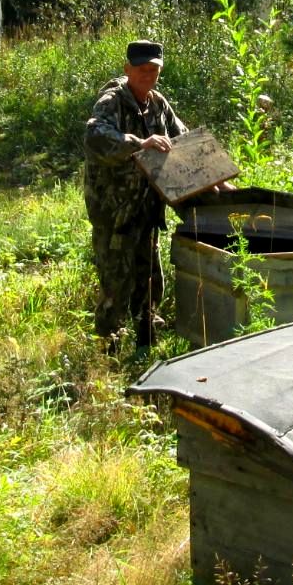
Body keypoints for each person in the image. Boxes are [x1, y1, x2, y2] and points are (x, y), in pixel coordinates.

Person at [83, 39, 187, 351]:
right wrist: (139, 143)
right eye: (141, 69)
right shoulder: (112, 101)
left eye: (153, 69)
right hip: (114, 212)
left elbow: (184, 141)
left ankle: (146, 342)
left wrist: (218, 181)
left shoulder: (157, 102)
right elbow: (95, 137)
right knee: (116, 281)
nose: (148, 74)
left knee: (149, 278)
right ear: (128, 69)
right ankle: (108, 351)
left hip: (146, 209)